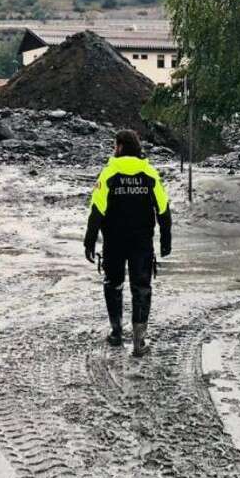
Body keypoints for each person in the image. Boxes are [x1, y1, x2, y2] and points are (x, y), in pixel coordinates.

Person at [84, 129, 172, 357]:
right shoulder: (149, 173)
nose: (114, 149)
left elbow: (97, 210)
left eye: (115, 145)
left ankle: (116, 333)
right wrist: (166, 239)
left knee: (113, 284)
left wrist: (89, 241)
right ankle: (139, 342)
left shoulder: (108, 174)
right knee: (141, 287)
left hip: (114, 242)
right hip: (141, 243)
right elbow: (163, 208)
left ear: (121, 147)